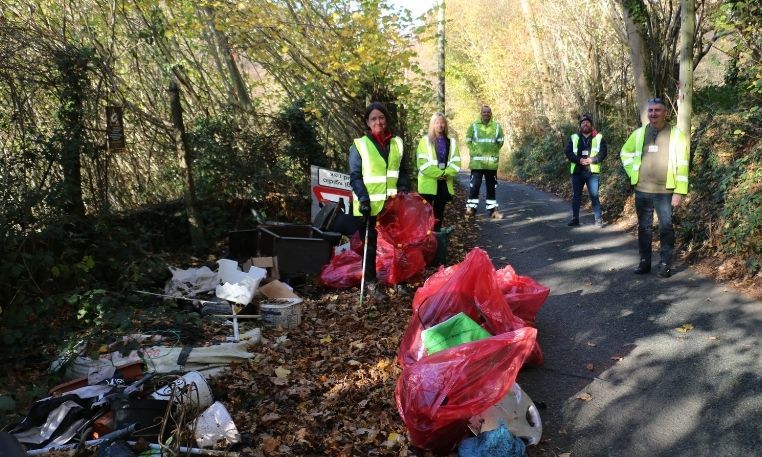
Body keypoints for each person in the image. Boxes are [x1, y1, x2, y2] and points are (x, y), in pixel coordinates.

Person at [620, 97, 690, 278]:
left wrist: (679, 192)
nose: (653, 114)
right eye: (650, 111)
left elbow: (683, 164)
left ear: (665, 113)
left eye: (657, 110)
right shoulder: (638, 134)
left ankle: (665, 263)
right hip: (642, 190)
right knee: (644, 228)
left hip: (665, 192)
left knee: (666, 228)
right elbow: (624, 153)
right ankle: (644, 262)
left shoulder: (677, 135)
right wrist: (632, 173)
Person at [349, 101, 410, 300]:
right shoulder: (360, 145)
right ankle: (371, 284)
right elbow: (355, 176)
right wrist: (364, 199)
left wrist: (403, 189)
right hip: (368, 206)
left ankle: (399, 281)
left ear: (387, 119)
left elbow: (403, 171)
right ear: (367, 122)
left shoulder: (397, 143)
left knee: (397, 246)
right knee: (371, 247)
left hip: (392, 204)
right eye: (373, 118)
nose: (378, 122)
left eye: (381, 117)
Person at [417, 113, 461, 232]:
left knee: (439, 214)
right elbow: (423, 164)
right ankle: (426, 241)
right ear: (432, 124)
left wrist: (445, 173)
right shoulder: (424, 141)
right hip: (428, 184)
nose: (440, 125)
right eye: (437, 122)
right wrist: (439, 174)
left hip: (444, 184)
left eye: (442, 122)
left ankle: (436, 240)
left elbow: (456, 162)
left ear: (445, 124)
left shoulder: (451, 142)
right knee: (426, 215)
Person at [564, 113, 608, 227]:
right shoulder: (574, 137)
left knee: (594, 196)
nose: (585, 124)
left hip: (592, 172)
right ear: (580, 126)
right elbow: (568, 152)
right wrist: (579, 160)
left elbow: (603, 152)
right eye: (583, 123)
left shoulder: (598, 137)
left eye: (587, 122)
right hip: (577, 171)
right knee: (576, 196)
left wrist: (592, 159)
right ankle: (575, 219)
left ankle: (598, 219)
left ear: (591, 125)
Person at [465, 105, 504, 218]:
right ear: (480, 113)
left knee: (491, 188)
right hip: (477, 164)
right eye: (484, 112)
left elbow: (500, 142)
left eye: (488, 112)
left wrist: (493, 150)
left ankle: (493, 211)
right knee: (475, 187)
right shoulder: (473, 126)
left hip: (491, 164)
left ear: (491, 113)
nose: (486, 114)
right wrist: (475, 151)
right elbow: (468, 140)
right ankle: (471, 209)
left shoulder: (497, 126)